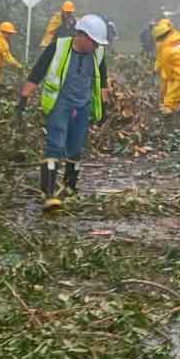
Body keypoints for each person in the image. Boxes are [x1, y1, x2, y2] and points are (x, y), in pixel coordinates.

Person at [16, 14, 111, 212]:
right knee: (55, 145)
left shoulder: (98, 53)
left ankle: (70, 188)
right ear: (81, 36)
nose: (96, 47)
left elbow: (102, 80)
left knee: (75, 148)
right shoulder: (58, 47)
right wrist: (24, 98)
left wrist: (104, 107)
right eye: (93, 42)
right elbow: (38, 72)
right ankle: (48, 193)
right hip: (60, 103)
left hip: (82, 106)